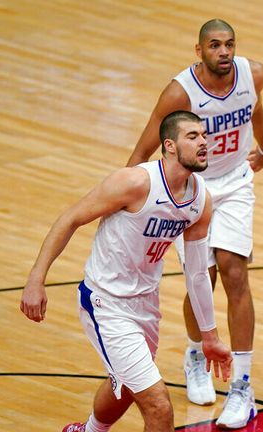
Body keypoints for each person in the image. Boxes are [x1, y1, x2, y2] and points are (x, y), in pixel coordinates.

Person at [20, 111, 232, 432]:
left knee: (125, 386)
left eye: (204, 136)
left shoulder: (200, 199)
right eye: (193, 136)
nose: (204, 142)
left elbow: (198, 272)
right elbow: (71, 218)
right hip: (105, 301)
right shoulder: (134, 182)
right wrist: (36, 279)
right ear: (169, 146)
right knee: (158, 405)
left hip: (146, 304)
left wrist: (210, 336)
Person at [127, 18, 263, 428]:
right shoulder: (180, 92)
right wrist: (125, 193)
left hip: (237, 184)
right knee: (201, 277)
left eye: (229, 44)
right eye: (214, 45)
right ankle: (195, 353)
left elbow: (255, 106)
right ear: (199, 50)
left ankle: (242, 386)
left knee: (234, 270)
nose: (223, 52)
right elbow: (146, 145)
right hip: (192, 190)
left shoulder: (252, 73)